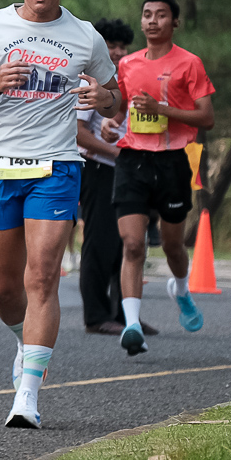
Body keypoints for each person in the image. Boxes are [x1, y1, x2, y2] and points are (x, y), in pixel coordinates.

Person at [0, 0, 121, 429]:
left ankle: (27, 395)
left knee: (42, 276)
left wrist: (102, 98)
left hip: (57, 165)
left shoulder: (85, 36)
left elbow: (113, 94)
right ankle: (24, 342)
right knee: (5, 289)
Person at [112, 0, 214, 351]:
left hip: (173, 161)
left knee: (172, 245)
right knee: (133, 244)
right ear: (141, 22)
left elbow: (207, 117)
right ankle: (132, 325)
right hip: (132, 160)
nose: (152, 21)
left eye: (161, 15)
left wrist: (162, 109)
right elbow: (121, 108)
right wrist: (109, 119)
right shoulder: (127, 64)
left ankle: (180, 289)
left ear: (175, 23)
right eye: (147, 15)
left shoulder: (190, 64)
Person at [76, 18, 134, 335]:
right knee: (99, 242)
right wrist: (115, 153)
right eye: (112, 45)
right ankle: (96, 316)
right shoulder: (91, 81)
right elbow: (78, 132)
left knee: (127, 244)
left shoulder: (125, 80)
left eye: (123, 46)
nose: (118, 52)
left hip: (125, 171)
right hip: (98, 168)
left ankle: (125, 315)